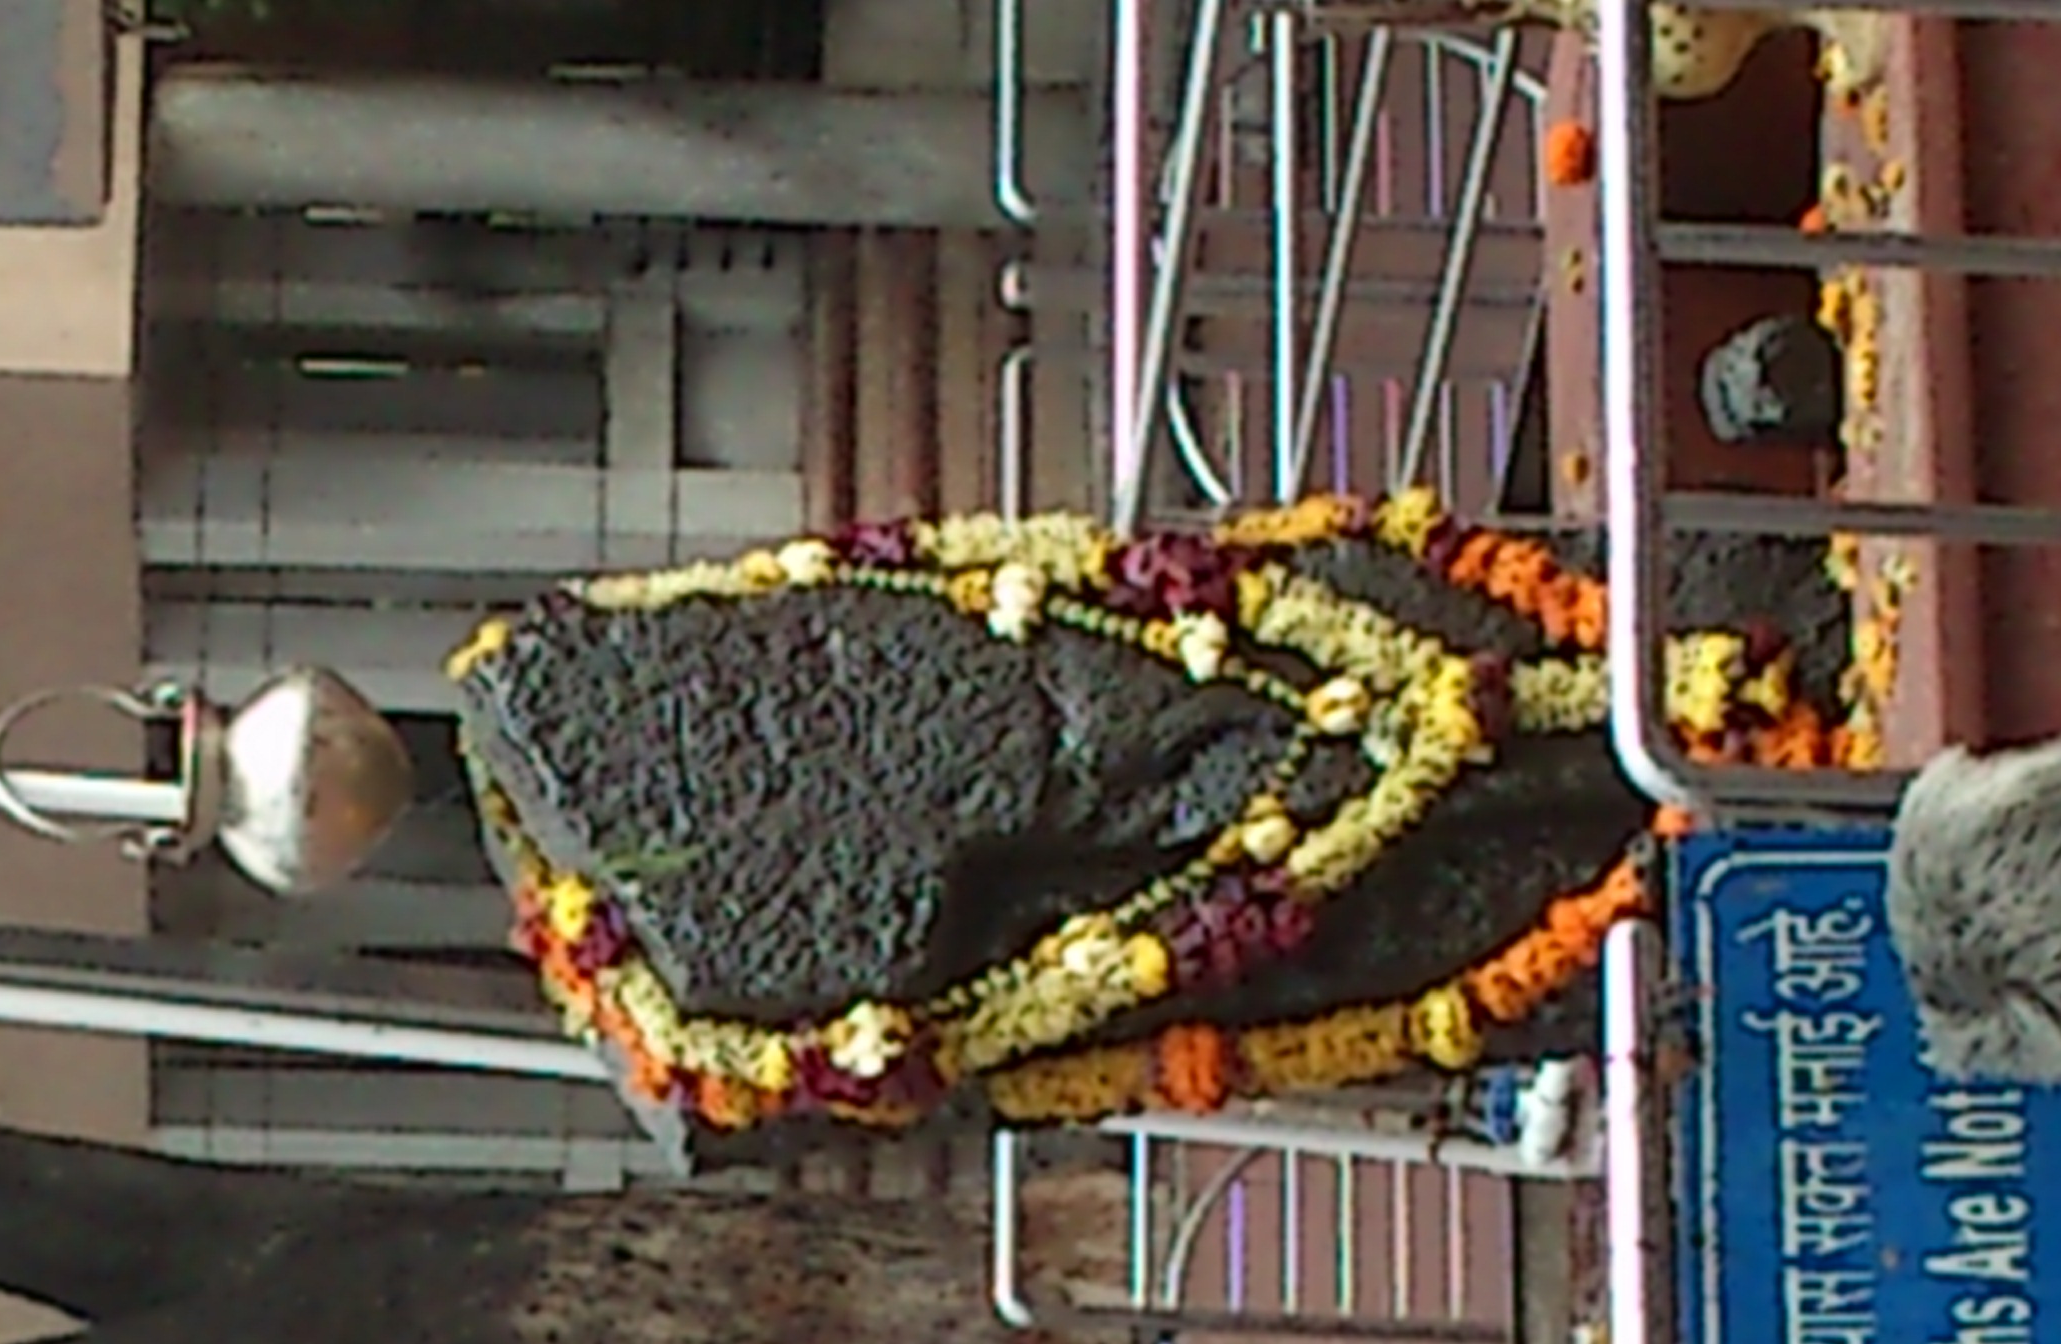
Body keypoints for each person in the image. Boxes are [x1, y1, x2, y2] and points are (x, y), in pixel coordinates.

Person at [449, 497, 1876, 1163]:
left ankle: (1721, 698)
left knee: (1404, 747)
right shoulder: (697, 1007)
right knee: (1414, 864)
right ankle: (1718, 787)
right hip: (1152, 878)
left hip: (1124, 699)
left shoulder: (589, 699)